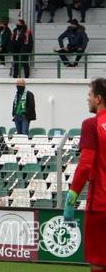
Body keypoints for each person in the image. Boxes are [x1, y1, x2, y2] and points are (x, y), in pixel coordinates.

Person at [64, 77, 106, 270]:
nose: (87, 99)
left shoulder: (91, 124)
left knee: (98, 263)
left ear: (99, 98)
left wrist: (71, 197)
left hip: (100, 206)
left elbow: (86, 164)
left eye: (89, 95)